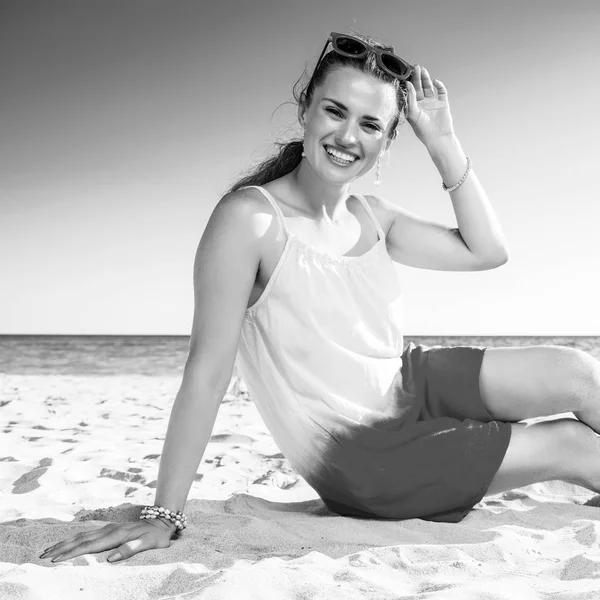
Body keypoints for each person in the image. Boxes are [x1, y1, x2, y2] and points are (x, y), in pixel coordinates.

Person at [40, 30, 600, 565]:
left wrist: (445, 144)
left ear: (385, 141)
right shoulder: (250, 220)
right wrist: (163, 514)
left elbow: (487, 251)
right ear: (306, 109)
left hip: (410, 381)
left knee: (580, 372)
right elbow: (207, 373)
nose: (348, 137)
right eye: (335, 111)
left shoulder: (374, 218)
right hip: (364, 456)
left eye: (371, 124)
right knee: (573, 444)